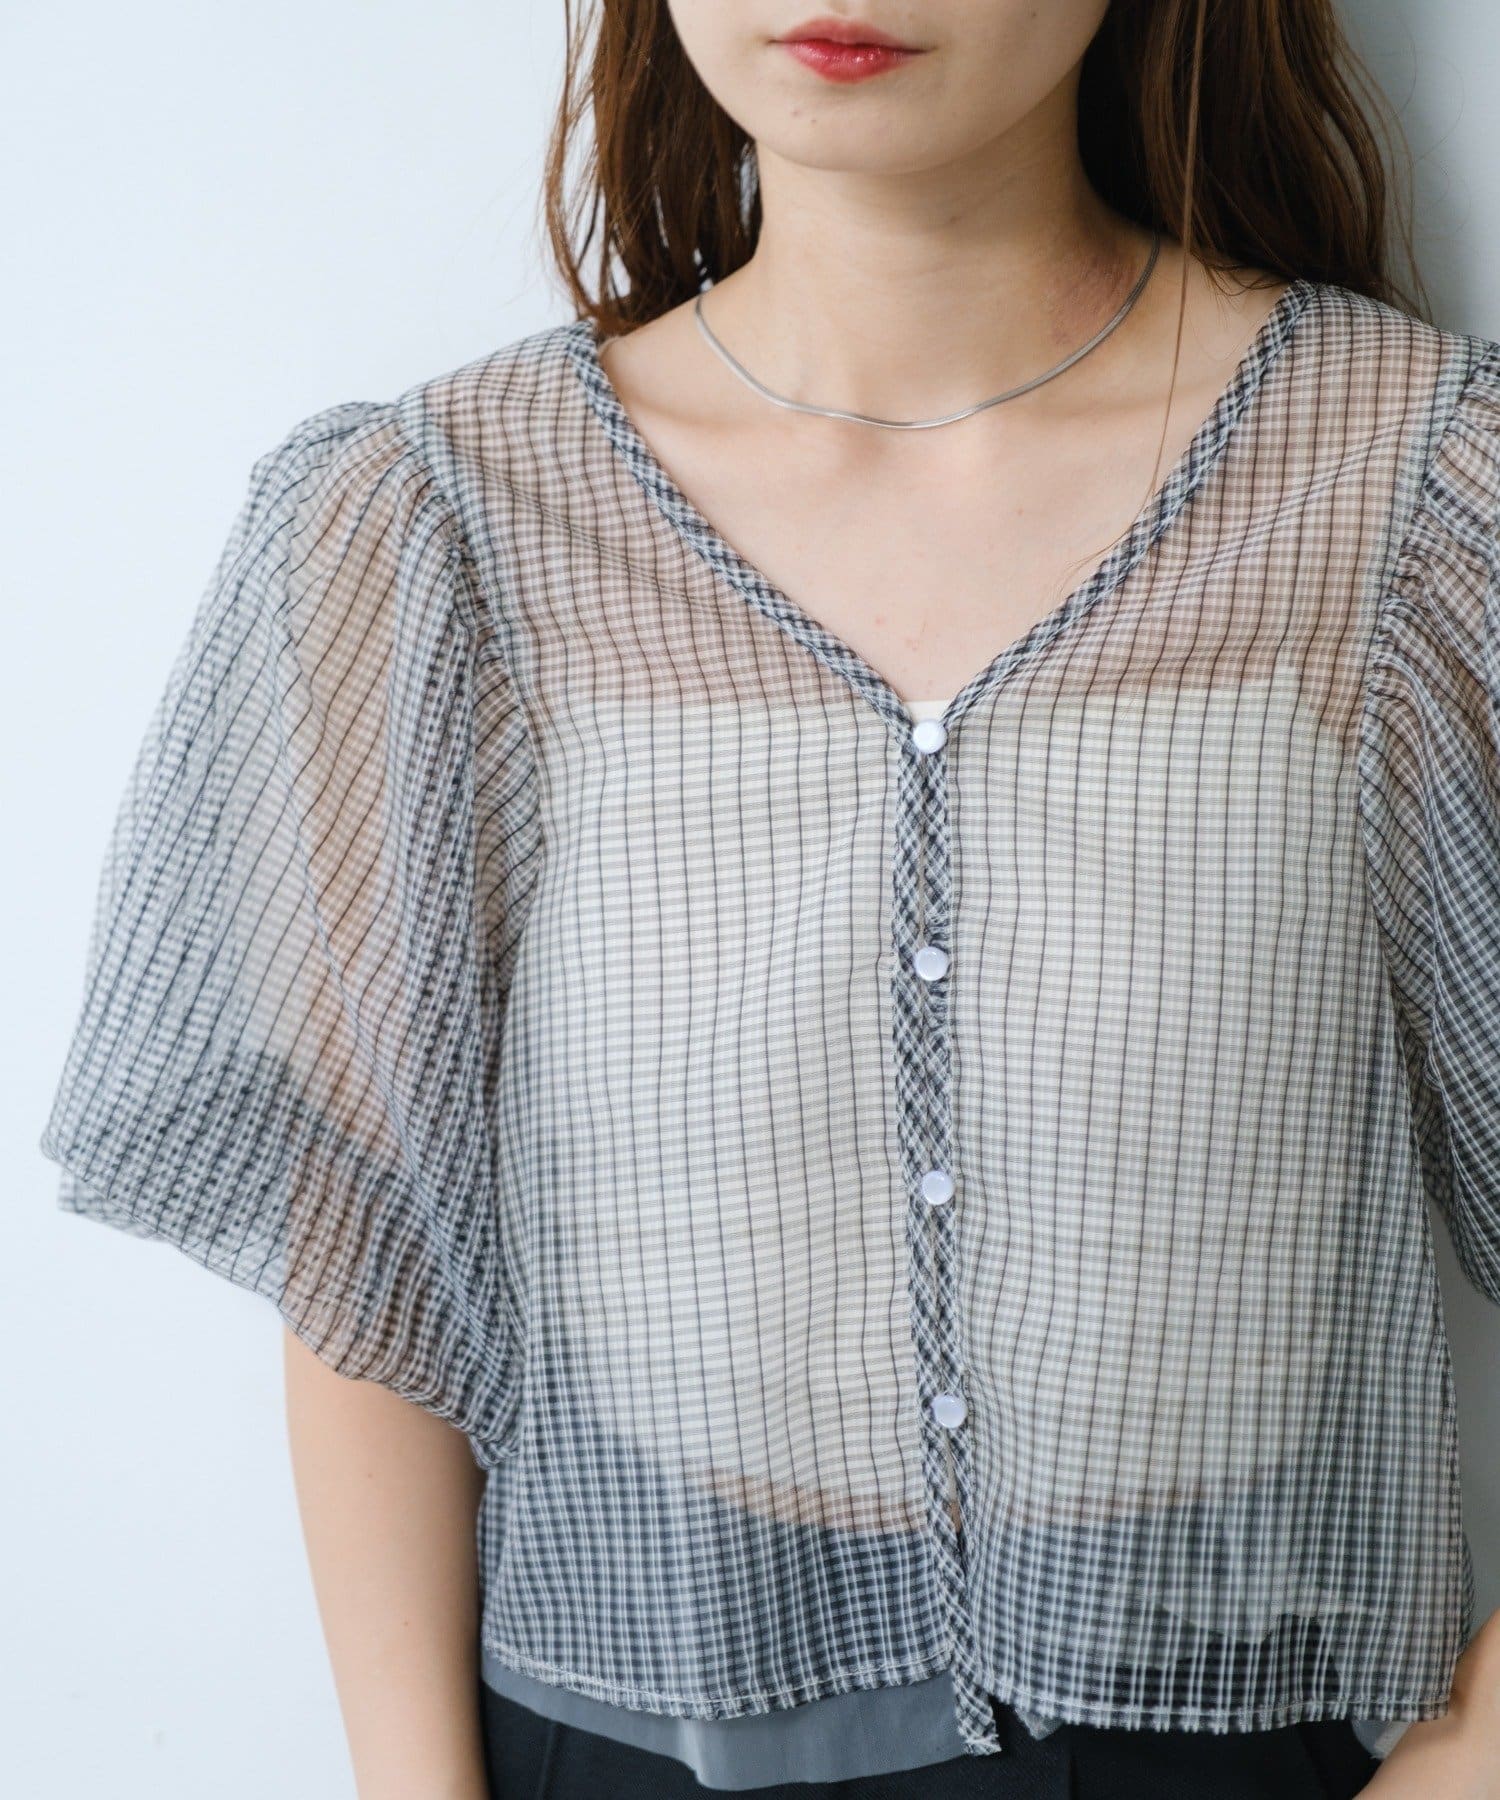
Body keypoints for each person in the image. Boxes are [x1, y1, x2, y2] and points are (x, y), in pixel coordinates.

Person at [38, 1, 1500, 1795]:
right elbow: (370, 1256)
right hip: (606, 1743)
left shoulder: (1424, 491)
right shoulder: (439, 524)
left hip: (1239, 1746)